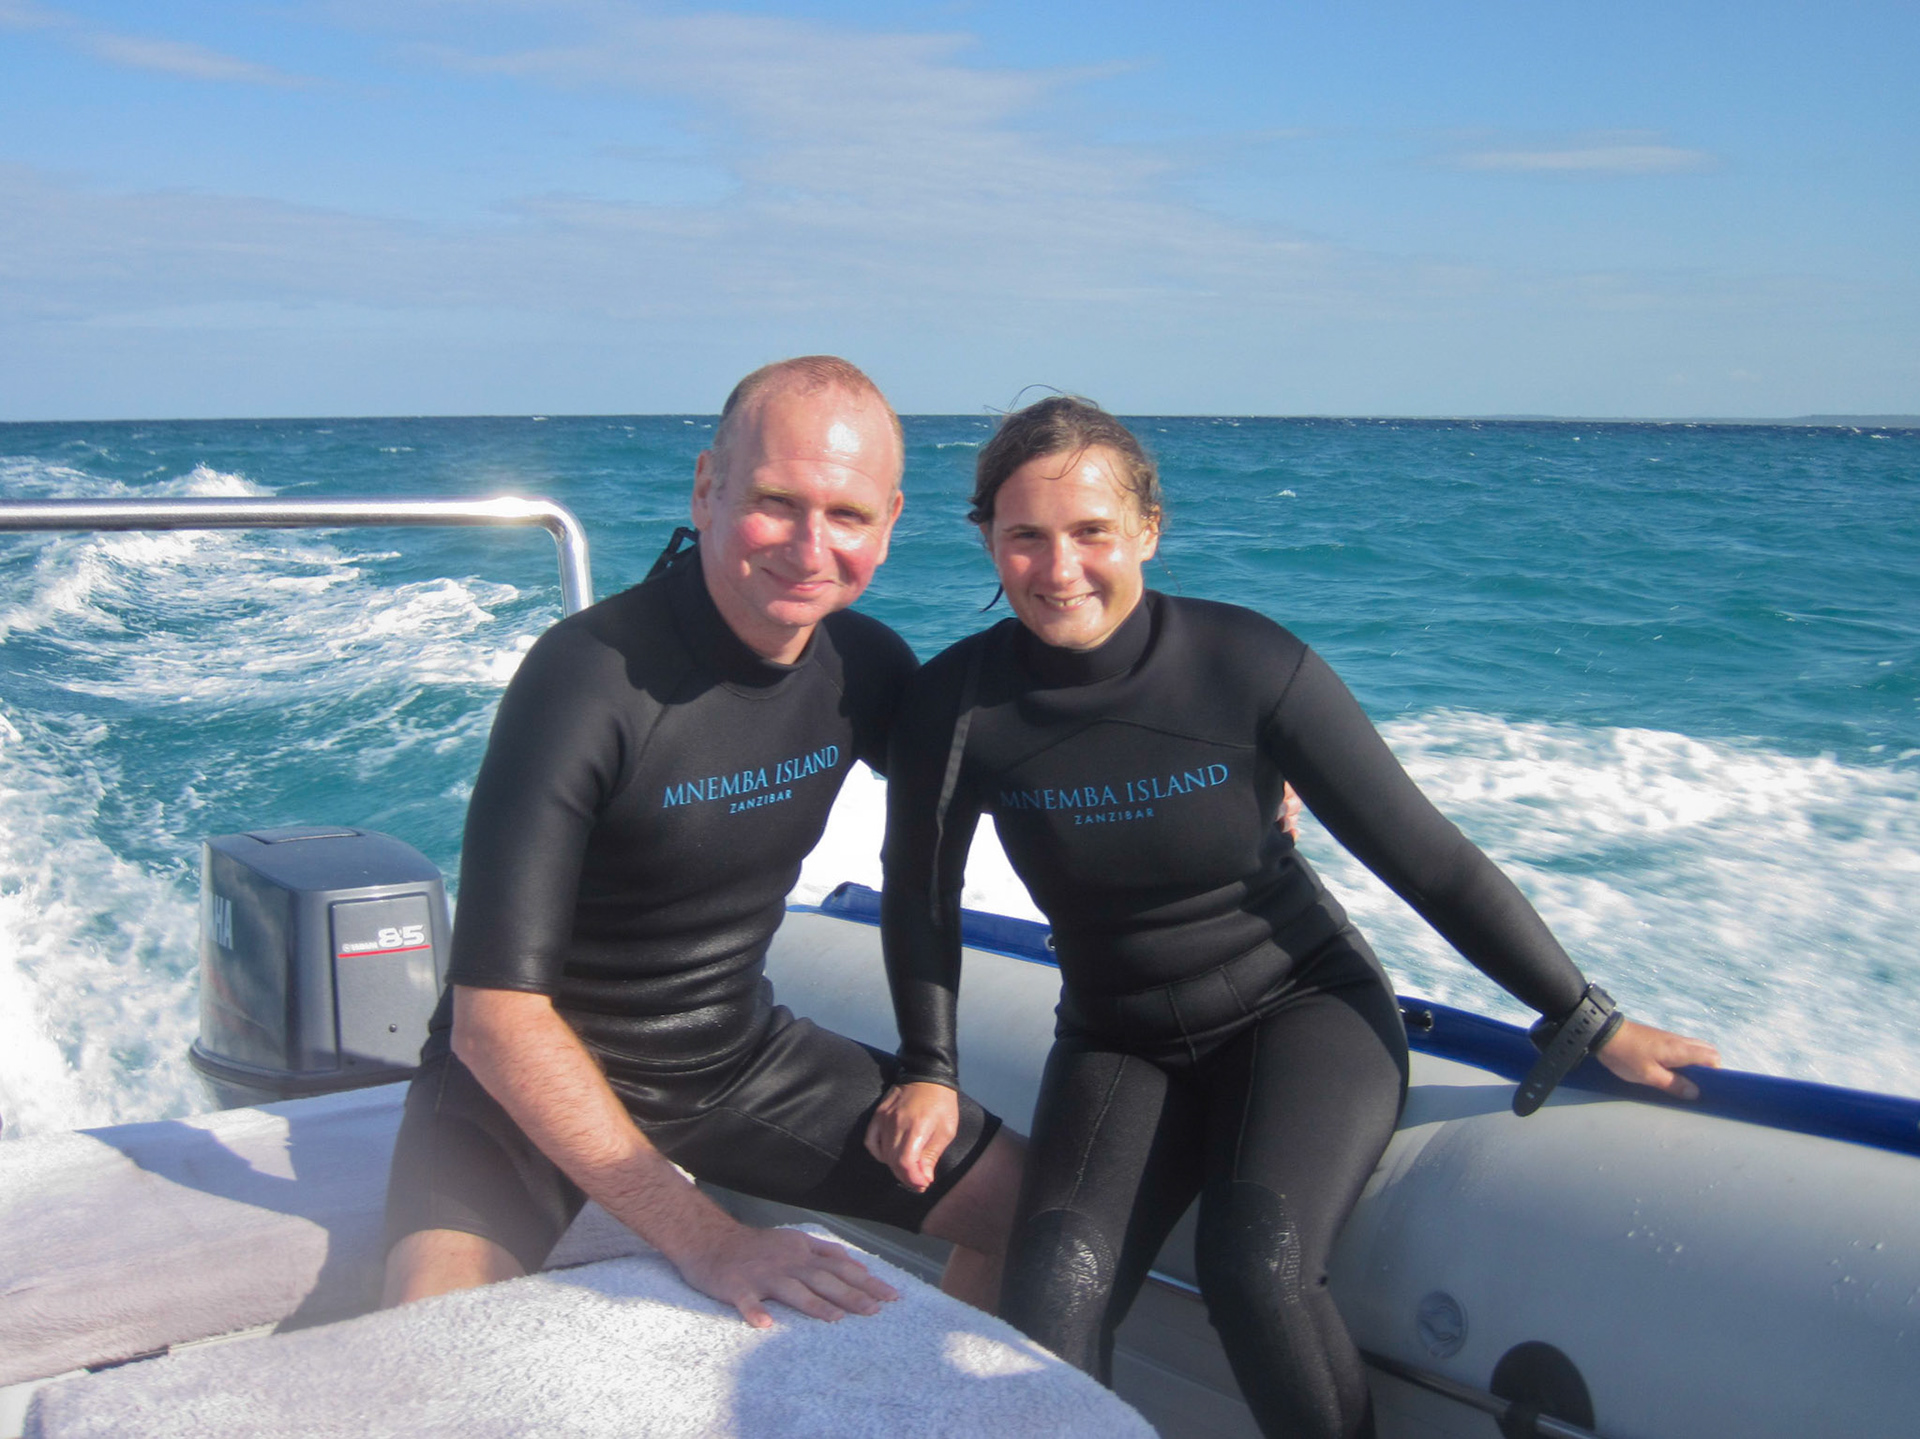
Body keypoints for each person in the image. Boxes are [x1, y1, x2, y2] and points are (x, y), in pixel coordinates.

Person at [865, 396, 1719, 1438]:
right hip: (1115, 1032)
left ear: (1146, 529)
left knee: (1254, 1263)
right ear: (989, 541)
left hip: (1299, 1005)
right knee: (1051, 1288)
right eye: (1026, 537)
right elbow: (918, 893)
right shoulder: (958, 707)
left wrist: (1584, 1015)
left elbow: (1429, 856)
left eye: (1091, 531)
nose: (1059, 568)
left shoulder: (1245, 663)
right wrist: (928, 1065)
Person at [383, 357, 1022, 1329]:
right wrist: (710, 1236)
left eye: (847, 515)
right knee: (427, 1331)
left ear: (890, 522)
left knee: (1029, 1208)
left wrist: (1232, 758)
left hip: (726, 1057)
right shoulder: (586, 679)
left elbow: (1021, 770)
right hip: (528, 1073)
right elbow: (496, 1021)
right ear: (706, 488)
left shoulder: (865, 665)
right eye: (776, 501)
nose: (811, 547)